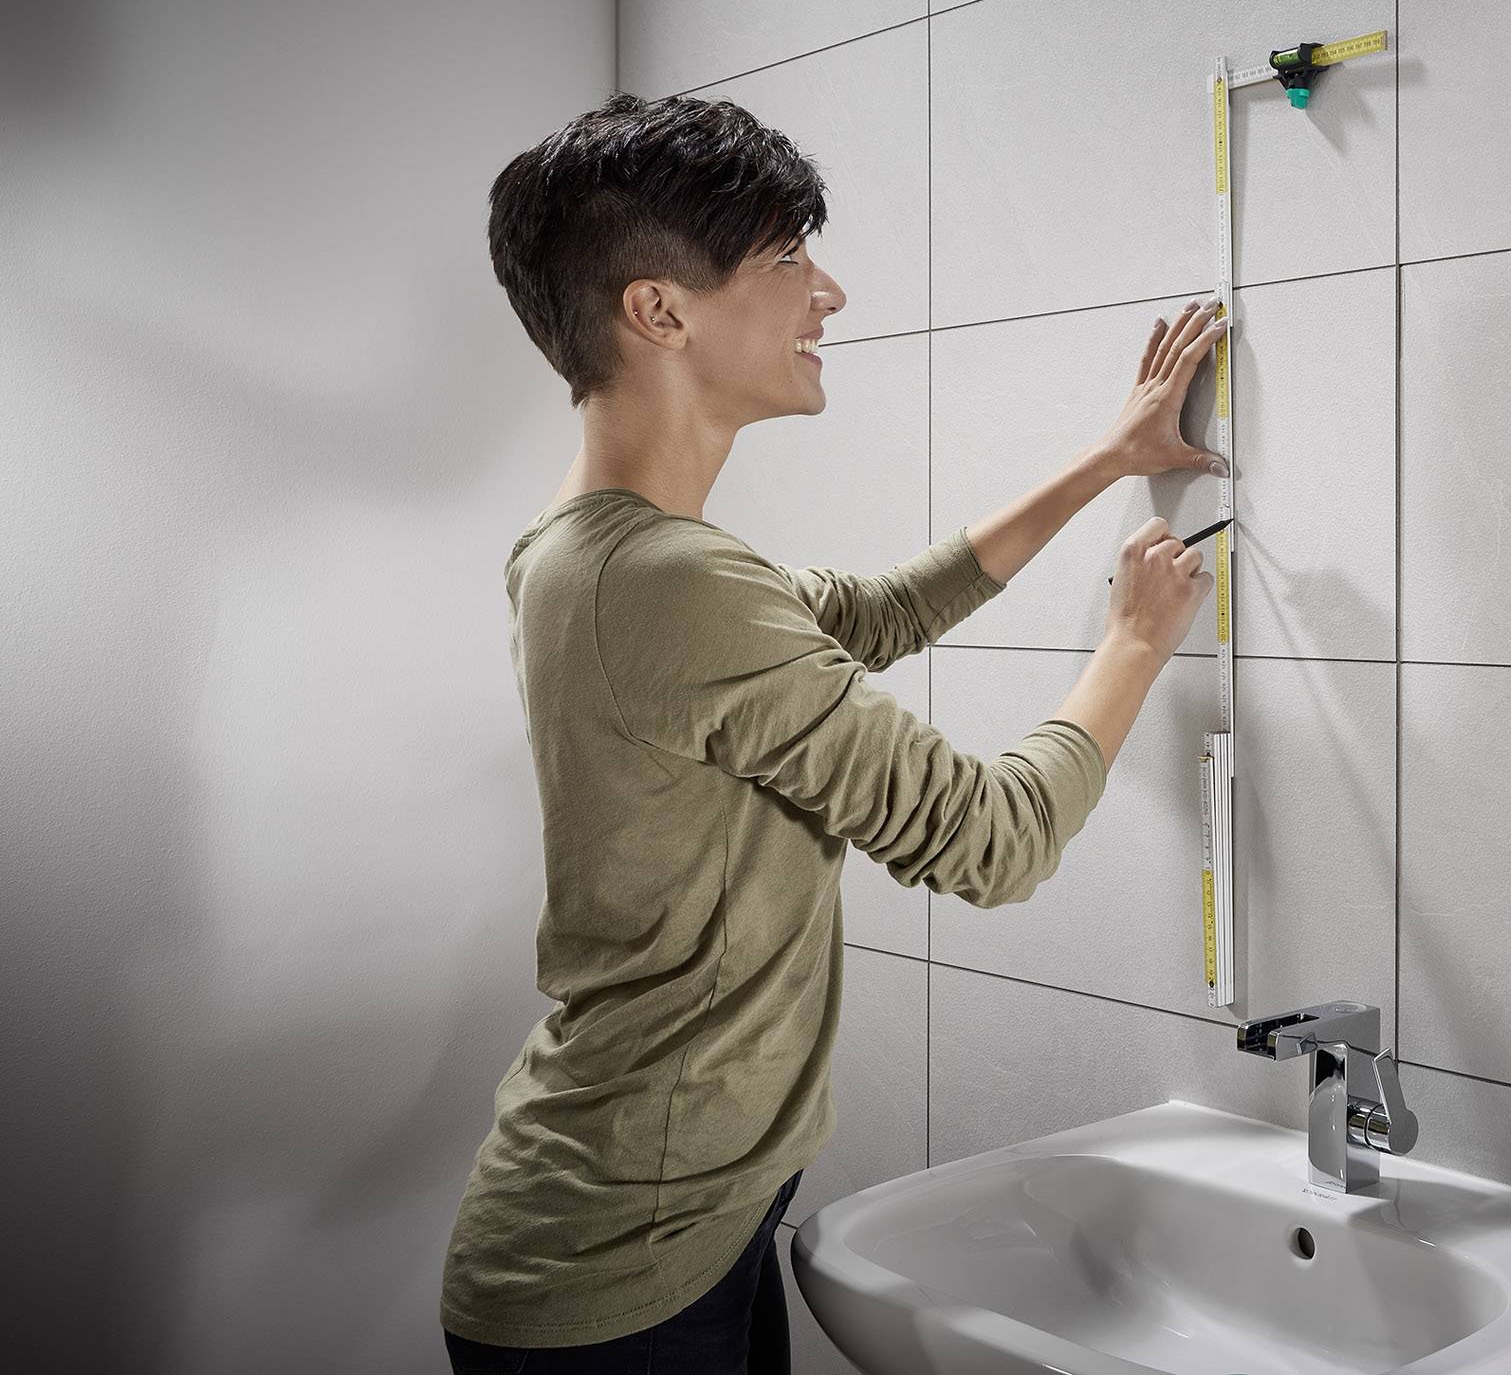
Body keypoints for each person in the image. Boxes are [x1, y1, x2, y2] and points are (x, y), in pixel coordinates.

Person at [440, 92, 1225, 1370]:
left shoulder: (596, 556)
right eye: (788, 258)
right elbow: (993, 841)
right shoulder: (661, 583)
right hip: (620, 1273)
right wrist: (1136, 643)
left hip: (668, 1229)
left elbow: (875, 612)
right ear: (661, 311)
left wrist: (1107, 459)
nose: (832, 292)